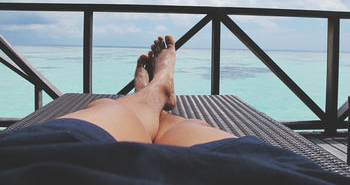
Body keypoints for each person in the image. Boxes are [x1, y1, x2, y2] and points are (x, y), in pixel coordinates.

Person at [0, 35, 349, 184]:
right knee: (177, 124)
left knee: (107, 107)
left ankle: (152, 93)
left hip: (46, 162)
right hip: (255, 174)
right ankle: (159, 92)